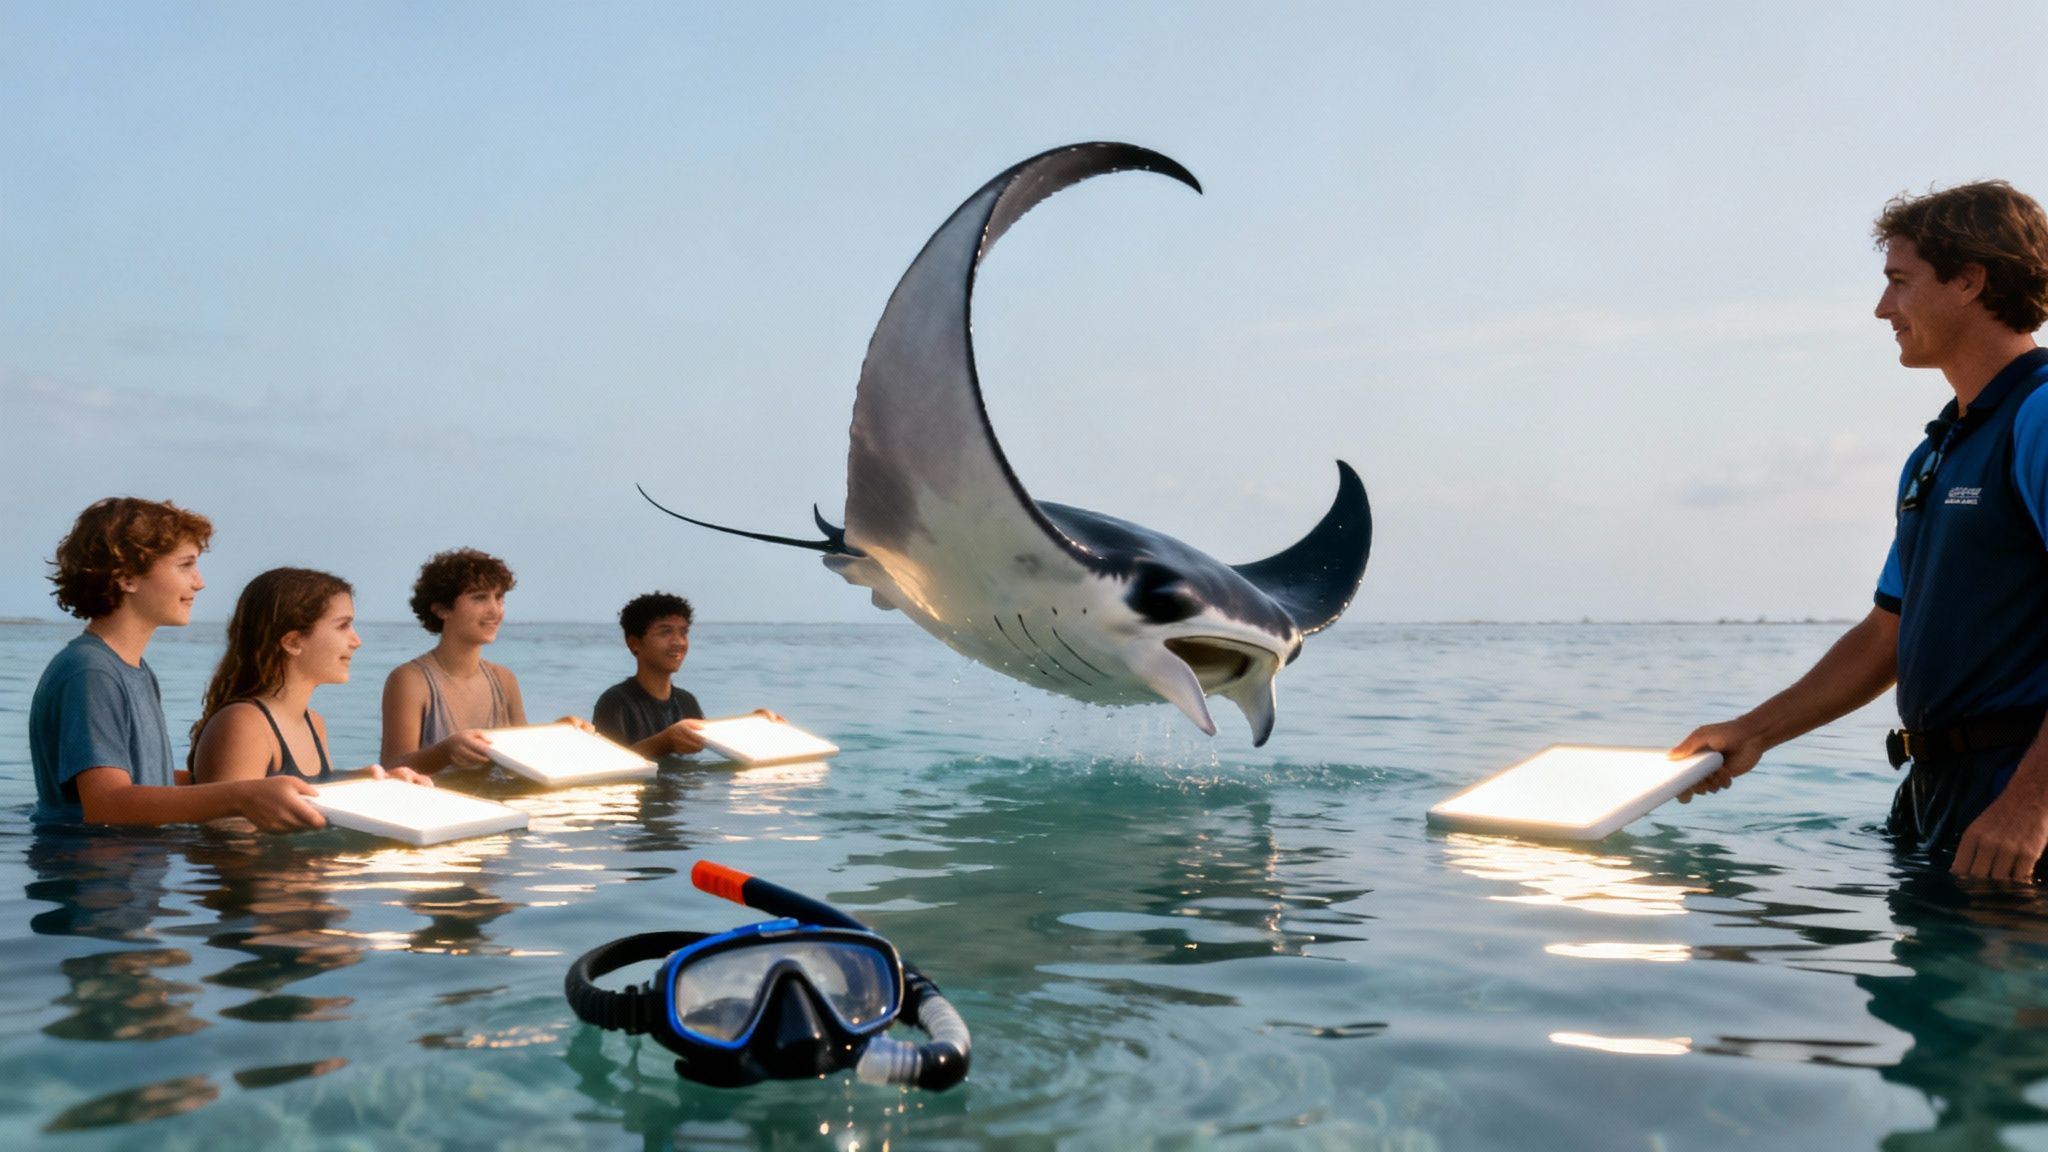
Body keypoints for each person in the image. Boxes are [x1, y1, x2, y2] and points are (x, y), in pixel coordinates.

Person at [1673, 180, 2048, 881]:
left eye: (1899, 283)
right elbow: (1887, 636)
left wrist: (2032, 807)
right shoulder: (1934, 454)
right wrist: (1752, 732)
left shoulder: (2041, 417)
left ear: (1969, 281)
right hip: (1933, 794)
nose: (1883, 309)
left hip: (2020, 797)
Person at [28, 497, 325, 831]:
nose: (199, 582)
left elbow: (144, 778)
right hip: (95, 877)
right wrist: (240, 796)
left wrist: (258, 781)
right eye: (185, 565)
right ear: (127, 577)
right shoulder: (91, 672)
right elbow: (106, 804)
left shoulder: (132, 670)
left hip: (133, 871)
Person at [189, 567, 430, 787]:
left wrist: (377, 781)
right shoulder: (244, 724)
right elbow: (227, 830)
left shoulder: (313, 723)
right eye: (342, 626)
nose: (357, 641)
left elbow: (315, 794)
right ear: (293, 642)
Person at [380, 547, 588, 773]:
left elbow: (524, 759)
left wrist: (560, 733)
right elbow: (391, 768)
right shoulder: (410, 680)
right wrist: (445, 752)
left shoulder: (504, 679)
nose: (495, 611)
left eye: (499, 598)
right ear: (441, 609)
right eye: (480, 598)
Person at [592, 592, 708, 756]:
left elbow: (714, 741)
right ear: (634, 643)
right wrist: (664, 742)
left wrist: (752, 725)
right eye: (665, 632)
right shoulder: (615, 703)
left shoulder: (686, 701)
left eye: (683, 632)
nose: (678, 642)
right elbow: (606, 763)